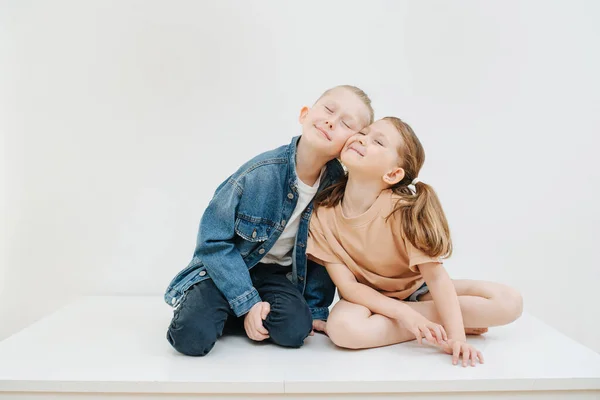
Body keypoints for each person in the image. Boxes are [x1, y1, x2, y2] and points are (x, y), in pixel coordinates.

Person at [164, 85, 374, 356]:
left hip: (276, 276)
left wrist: (315, 309)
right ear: (304, 114)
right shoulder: (258, 174)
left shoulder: (336, 187)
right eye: (328, 110)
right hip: (227, 267)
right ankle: (222, 305)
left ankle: (240, 312)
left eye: (346, 123)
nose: (331, 121)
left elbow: (323, 254)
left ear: (350, 145)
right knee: (191, 338)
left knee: (297, 330)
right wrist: (248, 302)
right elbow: (212, 240)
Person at [307, 117, 523, 367]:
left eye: (377, 141)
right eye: (363, 133)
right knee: (344, 330)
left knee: (510, 302)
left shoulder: (403, 210)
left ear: (393, 173)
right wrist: (406, 315)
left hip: (420, 292)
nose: (362, 139)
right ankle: (433, 321)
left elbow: (436, 278)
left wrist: (457, 337)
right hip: (369, 300)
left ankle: (434, 321)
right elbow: (350, 288)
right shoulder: (321, 215)